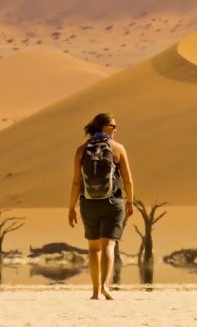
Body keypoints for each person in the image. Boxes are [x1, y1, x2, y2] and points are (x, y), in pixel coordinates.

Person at [69, 113, 134, 299]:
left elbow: (76, 182)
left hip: (88, 204)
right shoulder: (118, 148)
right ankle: (106, 285)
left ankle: (96, 292)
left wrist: (71, 208)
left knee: (93, 248)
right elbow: (128, 180)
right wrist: (130, 201)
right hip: (113, 203)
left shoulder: (81, 150)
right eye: (113, 126)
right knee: (109, 245)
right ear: (105, 127)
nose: (116, 129)